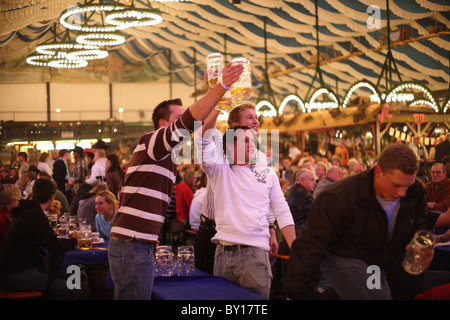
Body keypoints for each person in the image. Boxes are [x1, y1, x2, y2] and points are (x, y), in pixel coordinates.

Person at [108, 62, 244, 300]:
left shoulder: (165, 154)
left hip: (138, 242)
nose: (188, 126)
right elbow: (190, 122)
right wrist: (220, 86)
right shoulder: (151, 141)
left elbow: (198, 124)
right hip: (133, 242)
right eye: (179, 118)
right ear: (163, 125)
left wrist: (218, 97)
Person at [285, 143, 443, 300]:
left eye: (406, 186)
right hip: (341, 254)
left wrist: (416, 243)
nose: (402, 193)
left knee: (380, 295)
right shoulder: (338, 197)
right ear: (379, 172)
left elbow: (416, 222)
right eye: (396, 185)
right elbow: (309, 247)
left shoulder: (414, 191)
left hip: (374, 258)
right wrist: (298, 293)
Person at [197, 124, 296, 299]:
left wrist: (295, 249)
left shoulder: (268, 173)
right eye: (245, 140)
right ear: (230, 146)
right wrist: (219, 103)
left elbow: (282, 210)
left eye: (252, 140)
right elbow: (203, 140)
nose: (252, 144)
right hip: (222, 254)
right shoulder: (219, 169)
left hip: (255, 255)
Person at [0, 177, 79, 299]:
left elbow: (49, 241)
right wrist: (74, 241)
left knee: (61, 274)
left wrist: (67, 241)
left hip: (12, 271)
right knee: (73, 288)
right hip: (17, 275)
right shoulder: (35, 215)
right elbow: (55, 248)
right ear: (52, 197)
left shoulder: (26, 211)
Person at [284, 168, 316, 235]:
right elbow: (317, 218)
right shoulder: (305, 196)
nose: (315, 183)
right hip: (298, 237)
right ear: (302, 180)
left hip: (285, 236)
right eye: (312, 180)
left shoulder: (289, 192)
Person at [0, 184, 21, 249]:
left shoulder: (6, 214)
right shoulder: (4, 220)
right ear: (12, 201)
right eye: (18, 199)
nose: (19, 202)